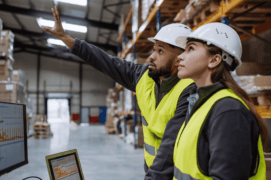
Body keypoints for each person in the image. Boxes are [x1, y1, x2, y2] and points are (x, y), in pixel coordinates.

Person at [43, 7, 196, 179]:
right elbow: (106, 62)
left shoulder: (189, 91)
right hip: (152, 169)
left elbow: (170, 148)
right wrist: (67, 40)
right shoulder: (143, 76)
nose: (151, 57)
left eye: (160, 51)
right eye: (154, 49)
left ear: (180, 59)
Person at [173, 22, 267, 179]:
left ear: (214, 60)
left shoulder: (229, 112)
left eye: (191, 48)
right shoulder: (200, 102)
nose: (180, 56)